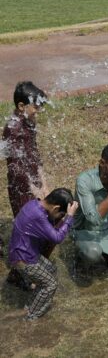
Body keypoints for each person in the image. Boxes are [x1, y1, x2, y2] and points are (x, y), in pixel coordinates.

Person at [2, 81, 51, 288]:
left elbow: (34, 154)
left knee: (43, 223)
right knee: (28, 228)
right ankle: (19, 273)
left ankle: (28, 268)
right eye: (36, 106)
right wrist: (34, 188)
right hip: (20, 187)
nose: (38, 110)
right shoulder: (12, 128)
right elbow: (16, 167)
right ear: (22, 106)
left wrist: (45, 182)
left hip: (33, 183)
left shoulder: (29, 123)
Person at [8, 188, 78, 321]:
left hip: (26, 252)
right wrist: (69, 218)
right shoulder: (38, 216)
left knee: (51, 270)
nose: (60, 218)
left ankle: (31, 306)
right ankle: (31, 318)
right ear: (56, 208)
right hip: (23, 259)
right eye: (61, 215)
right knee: (50, 285)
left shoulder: (34, 204)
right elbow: (57, 238)